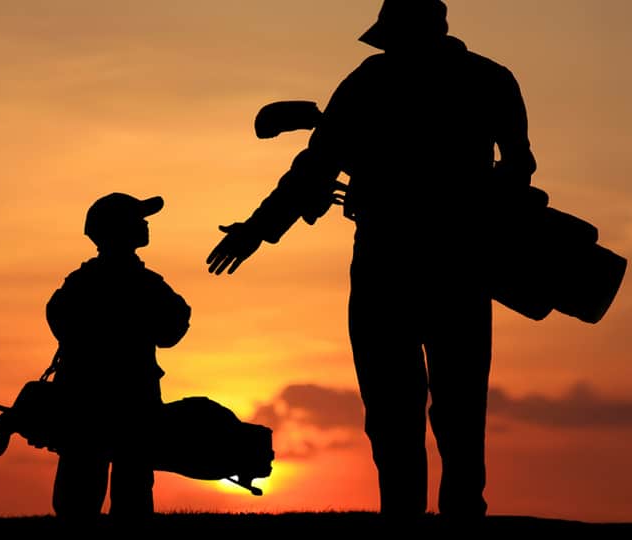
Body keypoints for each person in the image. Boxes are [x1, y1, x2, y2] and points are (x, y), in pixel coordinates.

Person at [206, 0, 537, 521]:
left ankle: (412, 517)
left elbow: (315, 167)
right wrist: (258, 230)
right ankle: (453, 517)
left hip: (398, 263)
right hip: (454, 264)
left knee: (407, 409)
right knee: (450, 408)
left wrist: (258, 231)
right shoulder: (489, 79)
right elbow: (519, 170)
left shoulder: (373, 81)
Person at [46, 192, 191, 529]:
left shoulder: (78, 283)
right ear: (121, 229)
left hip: (82, 396)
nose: (145, 224)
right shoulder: (145, 284)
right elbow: (172, 330)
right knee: (132, 492)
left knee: (79, 491)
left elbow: (58, 322)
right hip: (132, 397)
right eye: (138, 219)